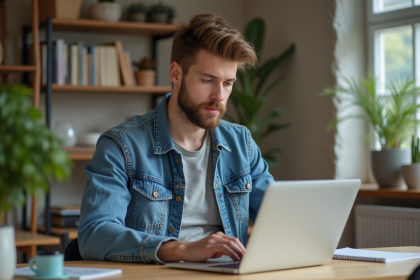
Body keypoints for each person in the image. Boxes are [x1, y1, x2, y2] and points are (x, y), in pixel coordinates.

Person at [78, 13, 274, 264]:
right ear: (175, 73)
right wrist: (180, 250)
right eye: (208, 80)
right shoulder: (122, 145)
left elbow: (279, 219)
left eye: (228, 83)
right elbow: (94, 233)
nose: (219, 96)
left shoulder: (242, 144)